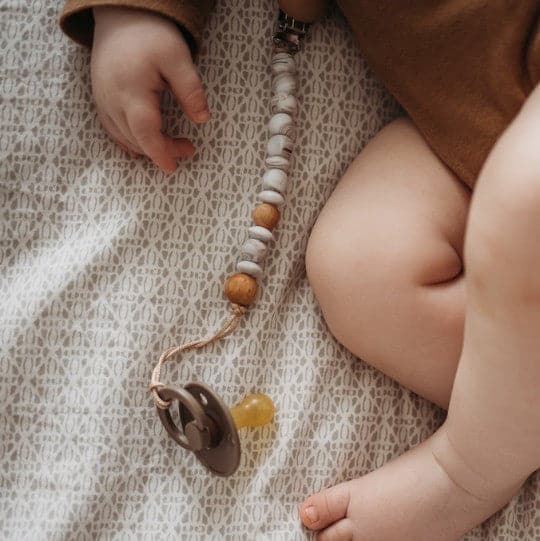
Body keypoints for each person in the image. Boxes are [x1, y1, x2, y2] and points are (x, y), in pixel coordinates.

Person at [58, 1, 540, 539]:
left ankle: (475, 467)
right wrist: (134, 12)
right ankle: (518, 411)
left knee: (523, 190)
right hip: (463, 130)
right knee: (360, 266)